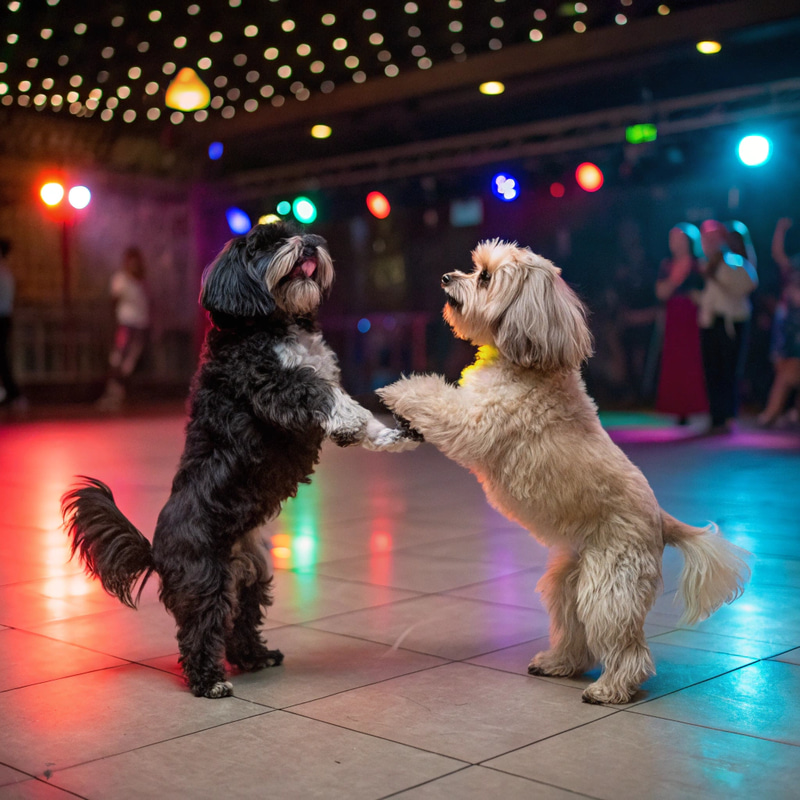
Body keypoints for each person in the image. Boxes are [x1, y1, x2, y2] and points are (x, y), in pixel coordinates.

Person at [697, 220, 759, 433]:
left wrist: (716, 273)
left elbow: (747, 285)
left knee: (729, 370)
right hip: (710, 323)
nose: (710, 243)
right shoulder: (704, 264)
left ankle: (728, 416)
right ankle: (716, 417)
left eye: (714, 239)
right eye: (706, 239)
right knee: (712, 370)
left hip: (732, 322)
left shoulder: (735, 262)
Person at [654, 223, 708, 423]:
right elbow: (661, 293)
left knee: (694, 361)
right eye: (672, 238)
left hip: (694, 318)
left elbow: (708, 291)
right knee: (674, 361)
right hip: (675, 317)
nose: (675, 243)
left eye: (679, 238)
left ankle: (696, 406)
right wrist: (677, 276)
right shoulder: (667, 265)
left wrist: (697, 297)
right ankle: (676, 408)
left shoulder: (700, 264)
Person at [97, 247, 151, 410]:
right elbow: (113, 301)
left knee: (130, 363)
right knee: (117, 358)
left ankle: (121, 393)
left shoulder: (142, 281)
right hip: (126, 325)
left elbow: (147, 304)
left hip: (140, 326)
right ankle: (113, 393)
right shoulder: (120, 279)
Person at [758, 270, 800, 426]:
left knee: (785, 376)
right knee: (785, 374)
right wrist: (778, 355)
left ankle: (771, 413)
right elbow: (780, 337)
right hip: (790, 356)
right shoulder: (786, 312)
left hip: (793, 357)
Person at [0, 238, 23, 408]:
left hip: (2, 319)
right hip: (5, 319)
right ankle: (11, 393)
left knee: (2, 358)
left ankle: (13, 394)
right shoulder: (6, 272)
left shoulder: (3, 273)